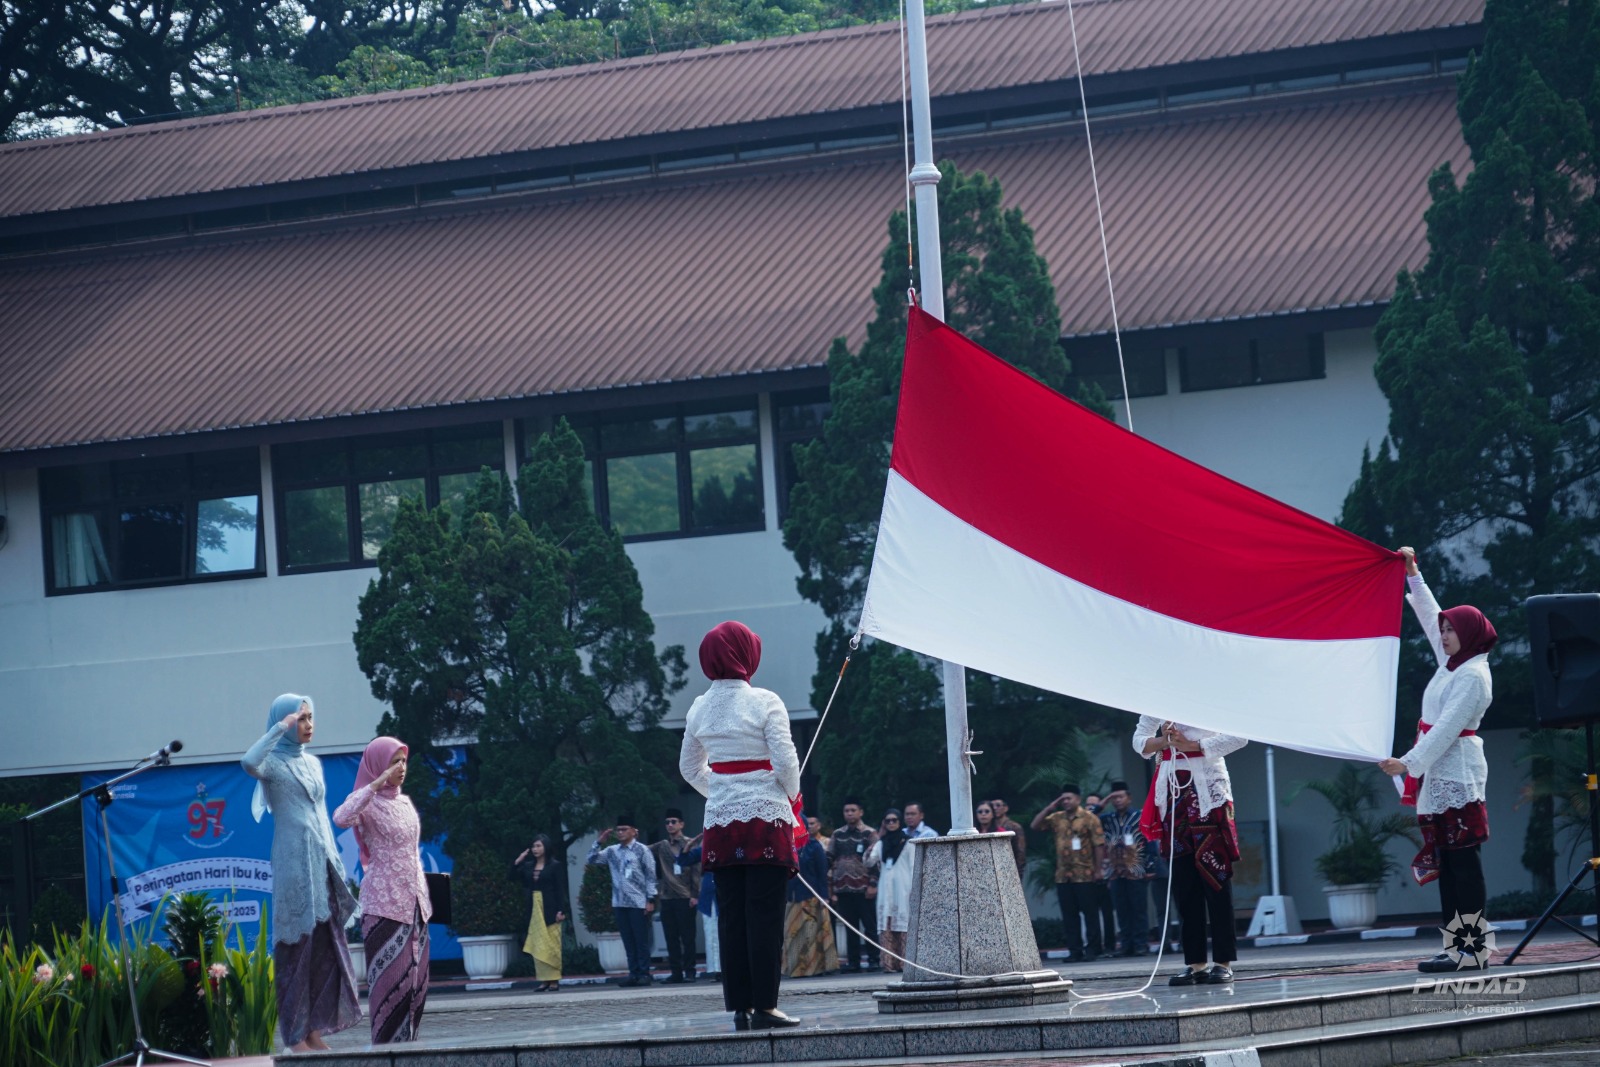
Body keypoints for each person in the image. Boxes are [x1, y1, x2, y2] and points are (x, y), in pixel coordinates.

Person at [679, 620, 803, 1030]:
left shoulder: (698, 707)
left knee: (732, 918)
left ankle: (740, 1008)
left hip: (721, 823)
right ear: (747, 655)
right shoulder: (765, 700)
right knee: (764, 916)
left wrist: (721, 789)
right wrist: (786, 793)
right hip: (765, 820)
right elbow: (786, 762)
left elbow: (688, 768)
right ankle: (766, 1006)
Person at [1379, 546, 1496, 974]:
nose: (1442, 634)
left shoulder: (1474, 676)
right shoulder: (1452, 664)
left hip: (1458, 777)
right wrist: (1414, 575)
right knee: (1449, 865)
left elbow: (1446, 730)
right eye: (1443, 629)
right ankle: (1456, 949)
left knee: (1464, 866)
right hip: (1438, 776)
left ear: (1469, 633)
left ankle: (1471, 950)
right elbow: (1429, 617)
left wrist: (1408, 763)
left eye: (1450, 629)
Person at [242, 695, 359, 1053]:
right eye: (302, 718)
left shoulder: (312, 763)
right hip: (293, 864)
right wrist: (280, 726)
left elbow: (321, 817)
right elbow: (249, 761)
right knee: (297, 949)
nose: (309, 725)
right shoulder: (272, 764)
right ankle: (294, 1036)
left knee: (324, 948)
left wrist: (336, 864)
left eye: (310, 717)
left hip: (320, 861)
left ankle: (313, 1031)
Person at [332, 737, 432, 1043]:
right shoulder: (367, 802)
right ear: (377, 767)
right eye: (393, 762)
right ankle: (387, 1053)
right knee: (392, 989)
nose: (400, 768)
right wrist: (374, 785)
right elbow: (341, 817)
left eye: (403, 761)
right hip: (385, 905)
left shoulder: (403, 801)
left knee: (417, 986)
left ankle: (410, 1053)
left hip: (416, 903)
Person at [1134, 717, 1246, 986]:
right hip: (1173, 798)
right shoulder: (1156, 703)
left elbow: (1240, 735)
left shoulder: (1206, 696)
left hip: (1208, 794)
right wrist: (1164, 740)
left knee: (1216, 878)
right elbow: (1139, 741)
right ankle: (1196, 964)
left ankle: (1223, 962)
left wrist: (1193, 744)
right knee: (1184, 886)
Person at [1032, 785, 1107, 963]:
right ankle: (1075, 951)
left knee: (1090, 914)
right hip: (1063, 875)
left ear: (1078, 799)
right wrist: (1050, 807)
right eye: (1063, 799)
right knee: (1069, 915)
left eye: (1069, 798)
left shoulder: (1090, 818)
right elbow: (1035, 825)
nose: (1065, 802)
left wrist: (1098, 869)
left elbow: (1099, 845)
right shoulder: (1057, 818)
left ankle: (1093, 949)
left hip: (1085, 873)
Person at [586, 818, 657, 987]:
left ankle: (644, 973)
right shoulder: (612, 851)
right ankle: (633, 973)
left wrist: (651, 899)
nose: (620, 832)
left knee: (640, 940)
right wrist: (598, 842)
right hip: (619, 902)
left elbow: (651, 875)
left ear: (634, 831)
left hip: (638, 901)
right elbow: (591, 859)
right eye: (618, 829)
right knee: (628, 940)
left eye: (624, 829)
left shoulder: (642, 850)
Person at [650, 809, 703, 983]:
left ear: (681, 824)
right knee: (670, 937)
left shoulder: (690, 843)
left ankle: (689, 972)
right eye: (667, 822)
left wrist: (695, 894)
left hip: (685, 896)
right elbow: (642, 851)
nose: (670, 825)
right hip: (666, 897)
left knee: (687, 937)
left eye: (674, 822)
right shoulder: (662, 846)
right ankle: (676, 972)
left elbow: (697, 870)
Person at [783, 813, 839, 977]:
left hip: (811, 897)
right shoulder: (785, 846)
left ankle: (815, 968)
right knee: (792, 935)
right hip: (791, 898)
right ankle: (795, 969)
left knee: (811, 934)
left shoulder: (814, 846)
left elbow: (822, 873)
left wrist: (824, 896)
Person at [511, 834, 570, 991]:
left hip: (550, 908)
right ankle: (544, 980)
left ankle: (554, 980)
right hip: (534, 907)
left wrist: (561, 910)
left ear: (546, 847)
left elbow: (560, 889)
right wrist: (518, 862)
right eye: (534, 846)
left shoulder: (555, 865)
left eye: (539, 846)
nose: (535, 849)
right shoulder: (529, 866)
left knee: (552, 945)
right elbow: (512, 877)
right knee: (539, 945)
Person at [827, 798, 879, 972]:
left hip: (864, 888)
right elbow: (829, 858)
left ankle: (874, 959)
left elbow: (875, 862)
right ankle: (853, 961)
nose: (849, 813)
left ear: (860, 812)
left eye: (853, 810)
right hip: (843, 888)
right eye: (846, 811)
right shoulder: (837, 834)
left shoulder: (869, 833)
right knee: (850, 927)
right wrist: (830, 887)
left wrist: (873, 884)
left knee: (869, 925)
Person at [1099, 781, 1149, 956]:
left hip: (1136, 869)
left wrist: (1149, 865)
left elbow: (1149, 840)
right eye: (1114, 798)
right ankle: (1126, 945)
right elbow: (1089, 817)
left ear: (1129, 798)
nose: (1117, 800)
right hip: (1115, 871)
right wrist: (1104, 801)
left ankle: (1141, 944)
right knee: (1121, 910)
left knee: (1138, 909)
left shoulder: (1140, 815)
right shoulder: (1107, 818)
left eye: (1120, 797)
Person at [866, 809, 914, 972]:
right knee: (886, 923)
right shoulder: (881, 843)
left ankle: (905, 964)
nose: (891, 823)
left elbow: (914, 866)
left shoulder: (909, 842)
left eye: (894, 820)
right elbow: (869, 862)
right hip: (886, 889)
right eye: (888, 821)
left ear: (900, 822)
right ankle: (889, 963)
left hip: (903, 888)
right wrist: (877, 838)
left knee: (903, 924)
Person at [1082, 792, 1117, 954]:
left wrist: (1104, 802)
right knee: (1091, 913)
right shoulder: (1084, 823)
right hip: (1089, 873)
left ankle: (1110, 945)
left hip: (1109, 871)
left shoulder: (1106, 820)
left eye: (1093, 804)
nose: (1090, 807)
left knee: (1108, 912)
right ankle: (1094, 946)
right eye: (1087, 804)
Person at [992, 797, 1028, 875]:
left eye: (998, 805)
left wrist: (1018, 870)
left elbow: (1020, 850)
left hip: (1011, 868)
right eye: (992, 806)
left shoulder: (1014, 827)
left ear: (1005, 808)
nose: (995, 808)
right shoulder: (989, 827)